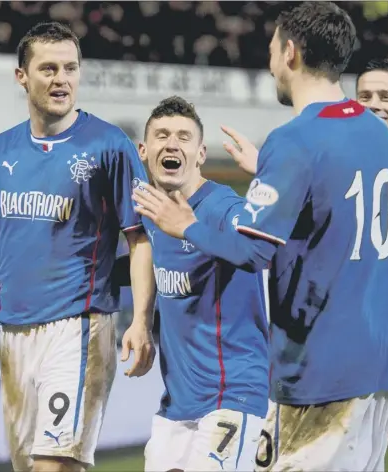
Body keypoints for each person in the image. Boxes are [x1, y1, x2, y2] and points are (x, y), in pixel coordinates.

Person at [133, 2, 388, 470]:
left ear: (291, 52)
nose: (271, 59)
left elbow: (251, 250)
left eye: (273, 47)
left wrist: (185, 226)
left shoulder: (295, 139)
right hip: (381, 367)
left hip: (322, 369)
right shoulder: (374, 130)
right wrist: (273, 175)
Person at [0, 22, 156, 472]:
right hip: (14, 335)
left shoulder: (109, 146)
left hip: (79, 327)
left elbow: (139, 239)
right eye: (49, 69)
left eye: (71, 68)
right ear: (22, 76)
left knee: (53, 466)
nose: (62, 79)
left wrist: (138, 320)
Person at [137, 96, 269, 472]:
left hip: (234, 394)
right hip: (178, 403)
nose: (172, 143)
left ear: (200, 153)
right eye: (161, 135)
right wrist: (140, 321)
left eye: (183, 136)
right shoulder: (152, 212)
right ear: (145, 151)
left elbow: (256, 249)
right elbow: (142, 262)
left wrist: (188, 228)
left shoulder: (222, 207)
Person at [357, 57, 388, 472]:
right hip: (359, 342)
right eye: (365, 96)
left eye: (386, 96)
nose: (375, 104)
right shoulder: (344, 169)